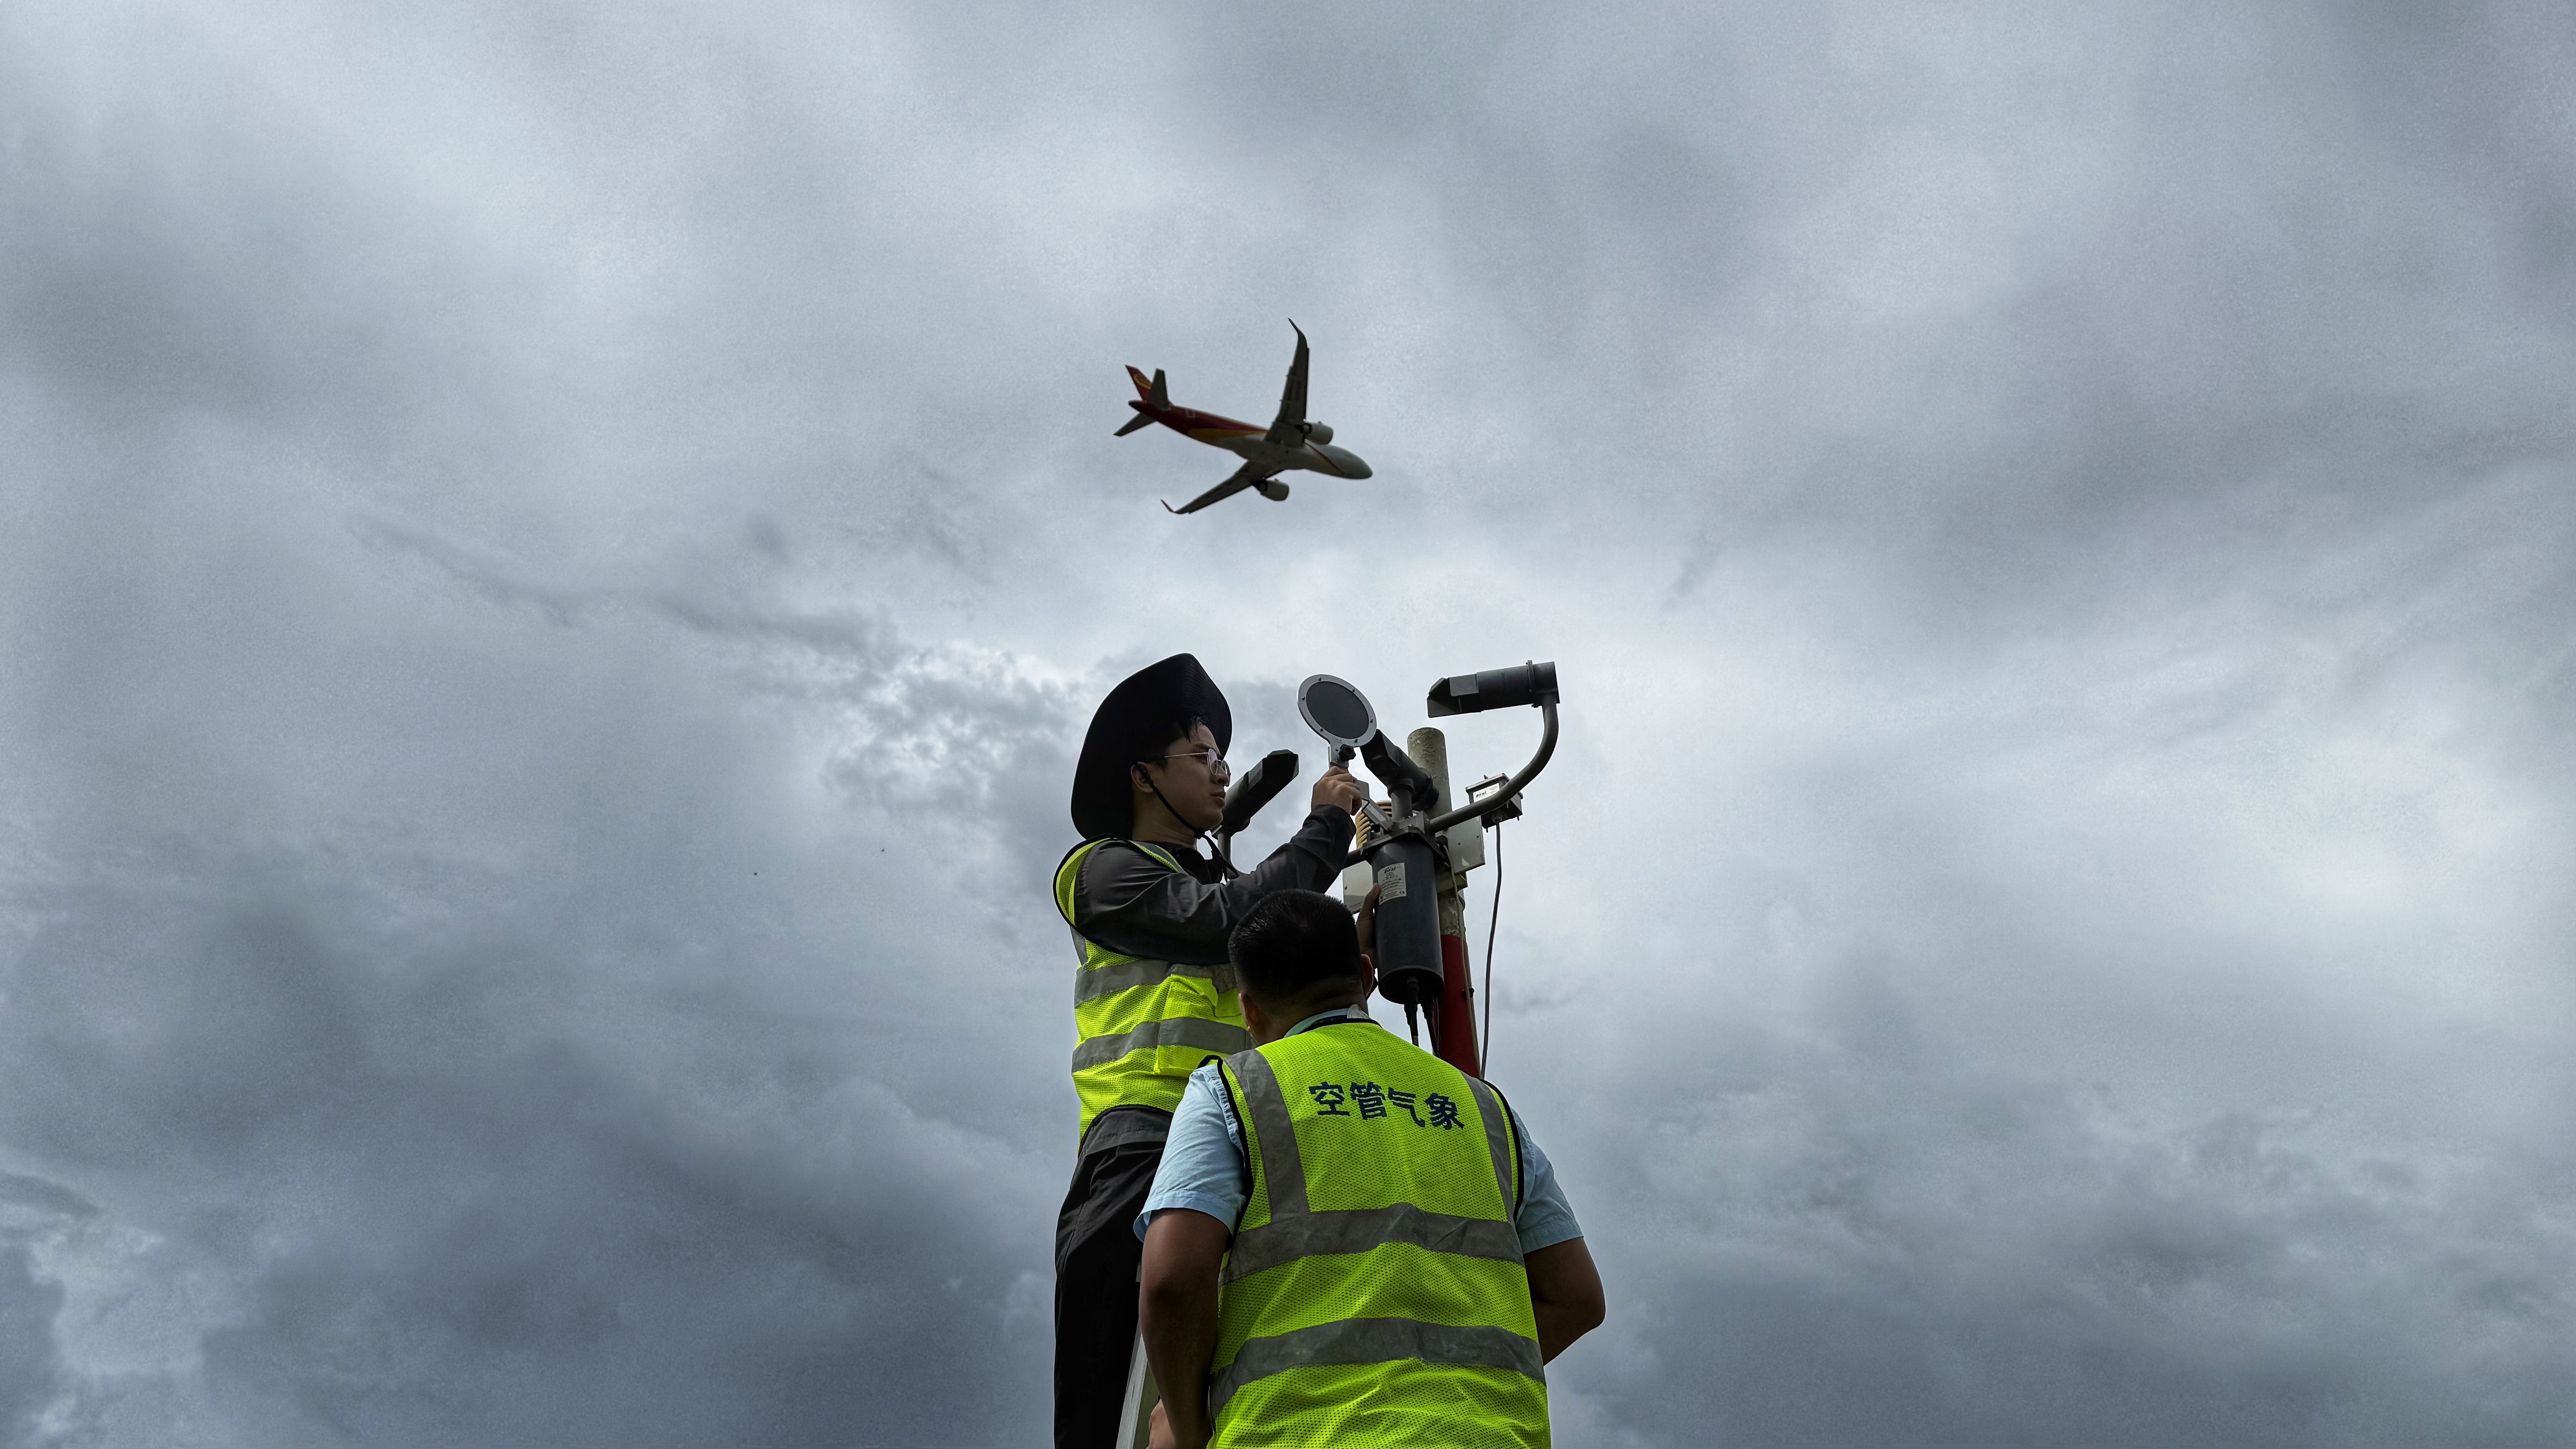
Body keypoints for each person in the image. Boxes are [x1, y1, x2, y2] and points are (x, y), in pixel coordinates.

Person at [1136, 890, 1605, 1449]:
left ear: (1250, 1010)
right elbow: (1578, 1298)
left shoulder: (1234, 1089)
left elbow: (1170, 1281)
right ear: (1365, 976)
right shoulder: (1485, 1109)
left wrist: (1191, 1429)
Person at [1053, 654, 1368, 1449]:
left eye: (1223, 759)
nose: (1222, 774)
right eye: (1203, 756)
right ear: (1143, 776)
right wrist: (1326, 825)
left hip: (1245, 1145)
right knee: (1114, 1387)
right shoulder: (1103, 871)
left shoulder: (1220, 886)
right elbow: (1222, 916)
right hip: (1143, 1146)